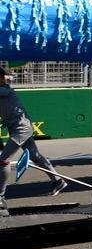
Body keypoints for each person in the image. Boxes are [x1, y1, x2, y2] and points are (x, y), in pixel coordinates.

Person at [0, 67, 67, 215]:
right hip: (20, 127)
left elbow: (9, 83)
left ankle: (0, 197)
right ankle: (58, 181)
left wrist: (7, 77)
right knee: (35, 155)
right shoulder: (4, 89)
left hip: (21, 129)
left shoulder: (6, 90)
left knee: (3, 160)